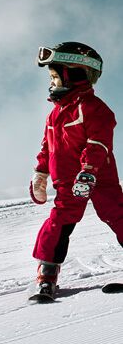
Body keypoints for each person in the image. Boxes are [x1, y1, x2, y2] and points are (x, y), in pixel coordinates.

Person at [30, 42, 123, 297]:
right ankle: (47, 275)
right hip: (67, 181)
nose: (52, 82)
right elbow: (46, 147)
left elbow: (98, 143)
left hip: (98, 178)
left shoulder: (95, 109)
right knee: (59, 221)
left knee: (117, 214)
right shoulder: (54, 114)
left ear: (77, 74)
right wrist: (40, 174)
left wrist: (89, 170)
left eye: (55, 76)